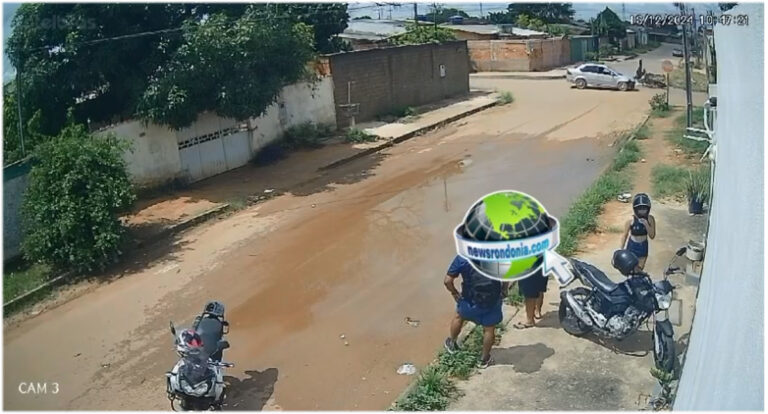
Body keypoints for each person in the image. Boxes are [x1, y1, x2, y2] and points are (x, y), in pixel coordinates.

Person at [443, 255, 509, 369]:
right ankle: (483, 359)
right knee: (489, 329)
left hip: (469, 300)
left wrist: (454, 293)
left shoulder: (463, 258)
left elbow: (447, 281)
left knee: (459, 317)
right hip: (492, 300)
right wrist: (504, 290)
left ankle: (452, 343)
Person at [620, 193, 657, 270]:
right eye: (640, 209)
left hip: (643, 246)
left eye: (644, 209)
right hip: (632, 245)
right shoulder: (630, 219)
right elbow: (625, 235)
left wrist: (646, 224)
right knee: (631, 268)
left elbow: (652, 236)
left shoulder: (650, 219)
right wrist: (621, 249)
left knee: (640, 269)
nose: (642, 212)